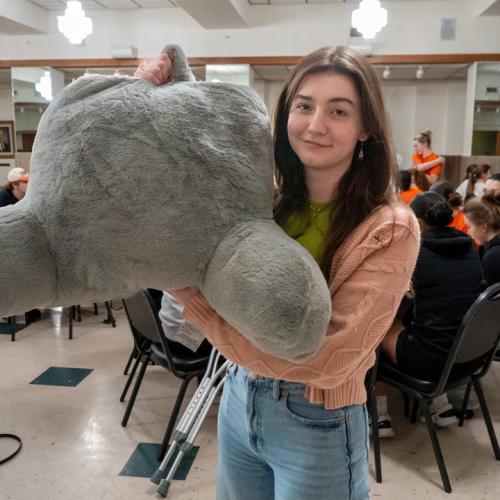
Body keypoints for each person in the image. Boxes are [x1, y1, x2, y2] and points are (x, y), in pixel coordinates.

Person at [138, 46, 420, 499]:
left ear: (366, 126)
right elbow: (179, 177)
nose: (315, 125)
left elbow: (330, 360)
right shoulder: (261, 196)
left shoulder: (387, 227)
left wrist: (203, 310)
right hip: (237, 396)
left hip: (318, 419)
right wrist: (149, 97)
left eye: (339, 111)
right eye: (304, 106)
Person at [376, 192, 483, 435]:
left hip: (430, 361)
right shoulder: (471, 248)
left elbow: (385, 295)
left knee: (378, 325)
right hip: (468, 357)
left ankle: (379, 415)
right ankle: (440, 405)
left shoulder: (417, 253)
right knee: (436, 324)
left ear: (416, 221)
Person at [464, 193, 500, 286]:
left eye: (469, 227)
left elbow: (494, 298)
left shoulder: (493, 257)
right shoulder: (490, 249)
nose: (468, 232)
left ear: (484, 227)